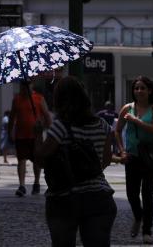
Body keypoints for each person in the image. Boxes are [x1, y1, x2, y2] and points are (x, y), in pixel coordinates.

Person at [34, 76, 116, 247]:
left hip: (64, 199)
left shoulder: (61, 126)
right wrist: (87, 172)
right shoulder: (103, 126)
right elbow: (106, 160)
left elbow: (41, 160)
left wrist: (37, 134)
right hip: (99, 198)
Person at [114, 75, 153, 244]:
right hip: (132, 156)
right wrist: (122, 151)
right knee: (131, 194)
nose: (139, 91)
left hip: (150, 156)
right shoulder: (127, 108)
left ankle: (147, 231)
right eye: (136, 88)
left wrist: (136, 120)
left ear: (150, 90)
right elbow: (117, 130)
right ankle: (138, 216)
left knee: (147, 194)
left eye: (143, 88)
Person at [8, 80, 52, 197]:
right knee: (21, 160)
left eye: (28, 84)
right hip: (20, 135)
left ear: (32, 85)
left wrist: (50, 130)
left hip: (35, 136)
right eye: (23, 85)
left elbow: (46, 114)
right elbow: (12, 117)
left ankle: (36, 182)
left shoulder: (39, 98)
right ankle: (22, 185)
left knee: (37, 160)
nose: (25, 87)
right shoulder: (16, 99)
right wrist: (10, 131)